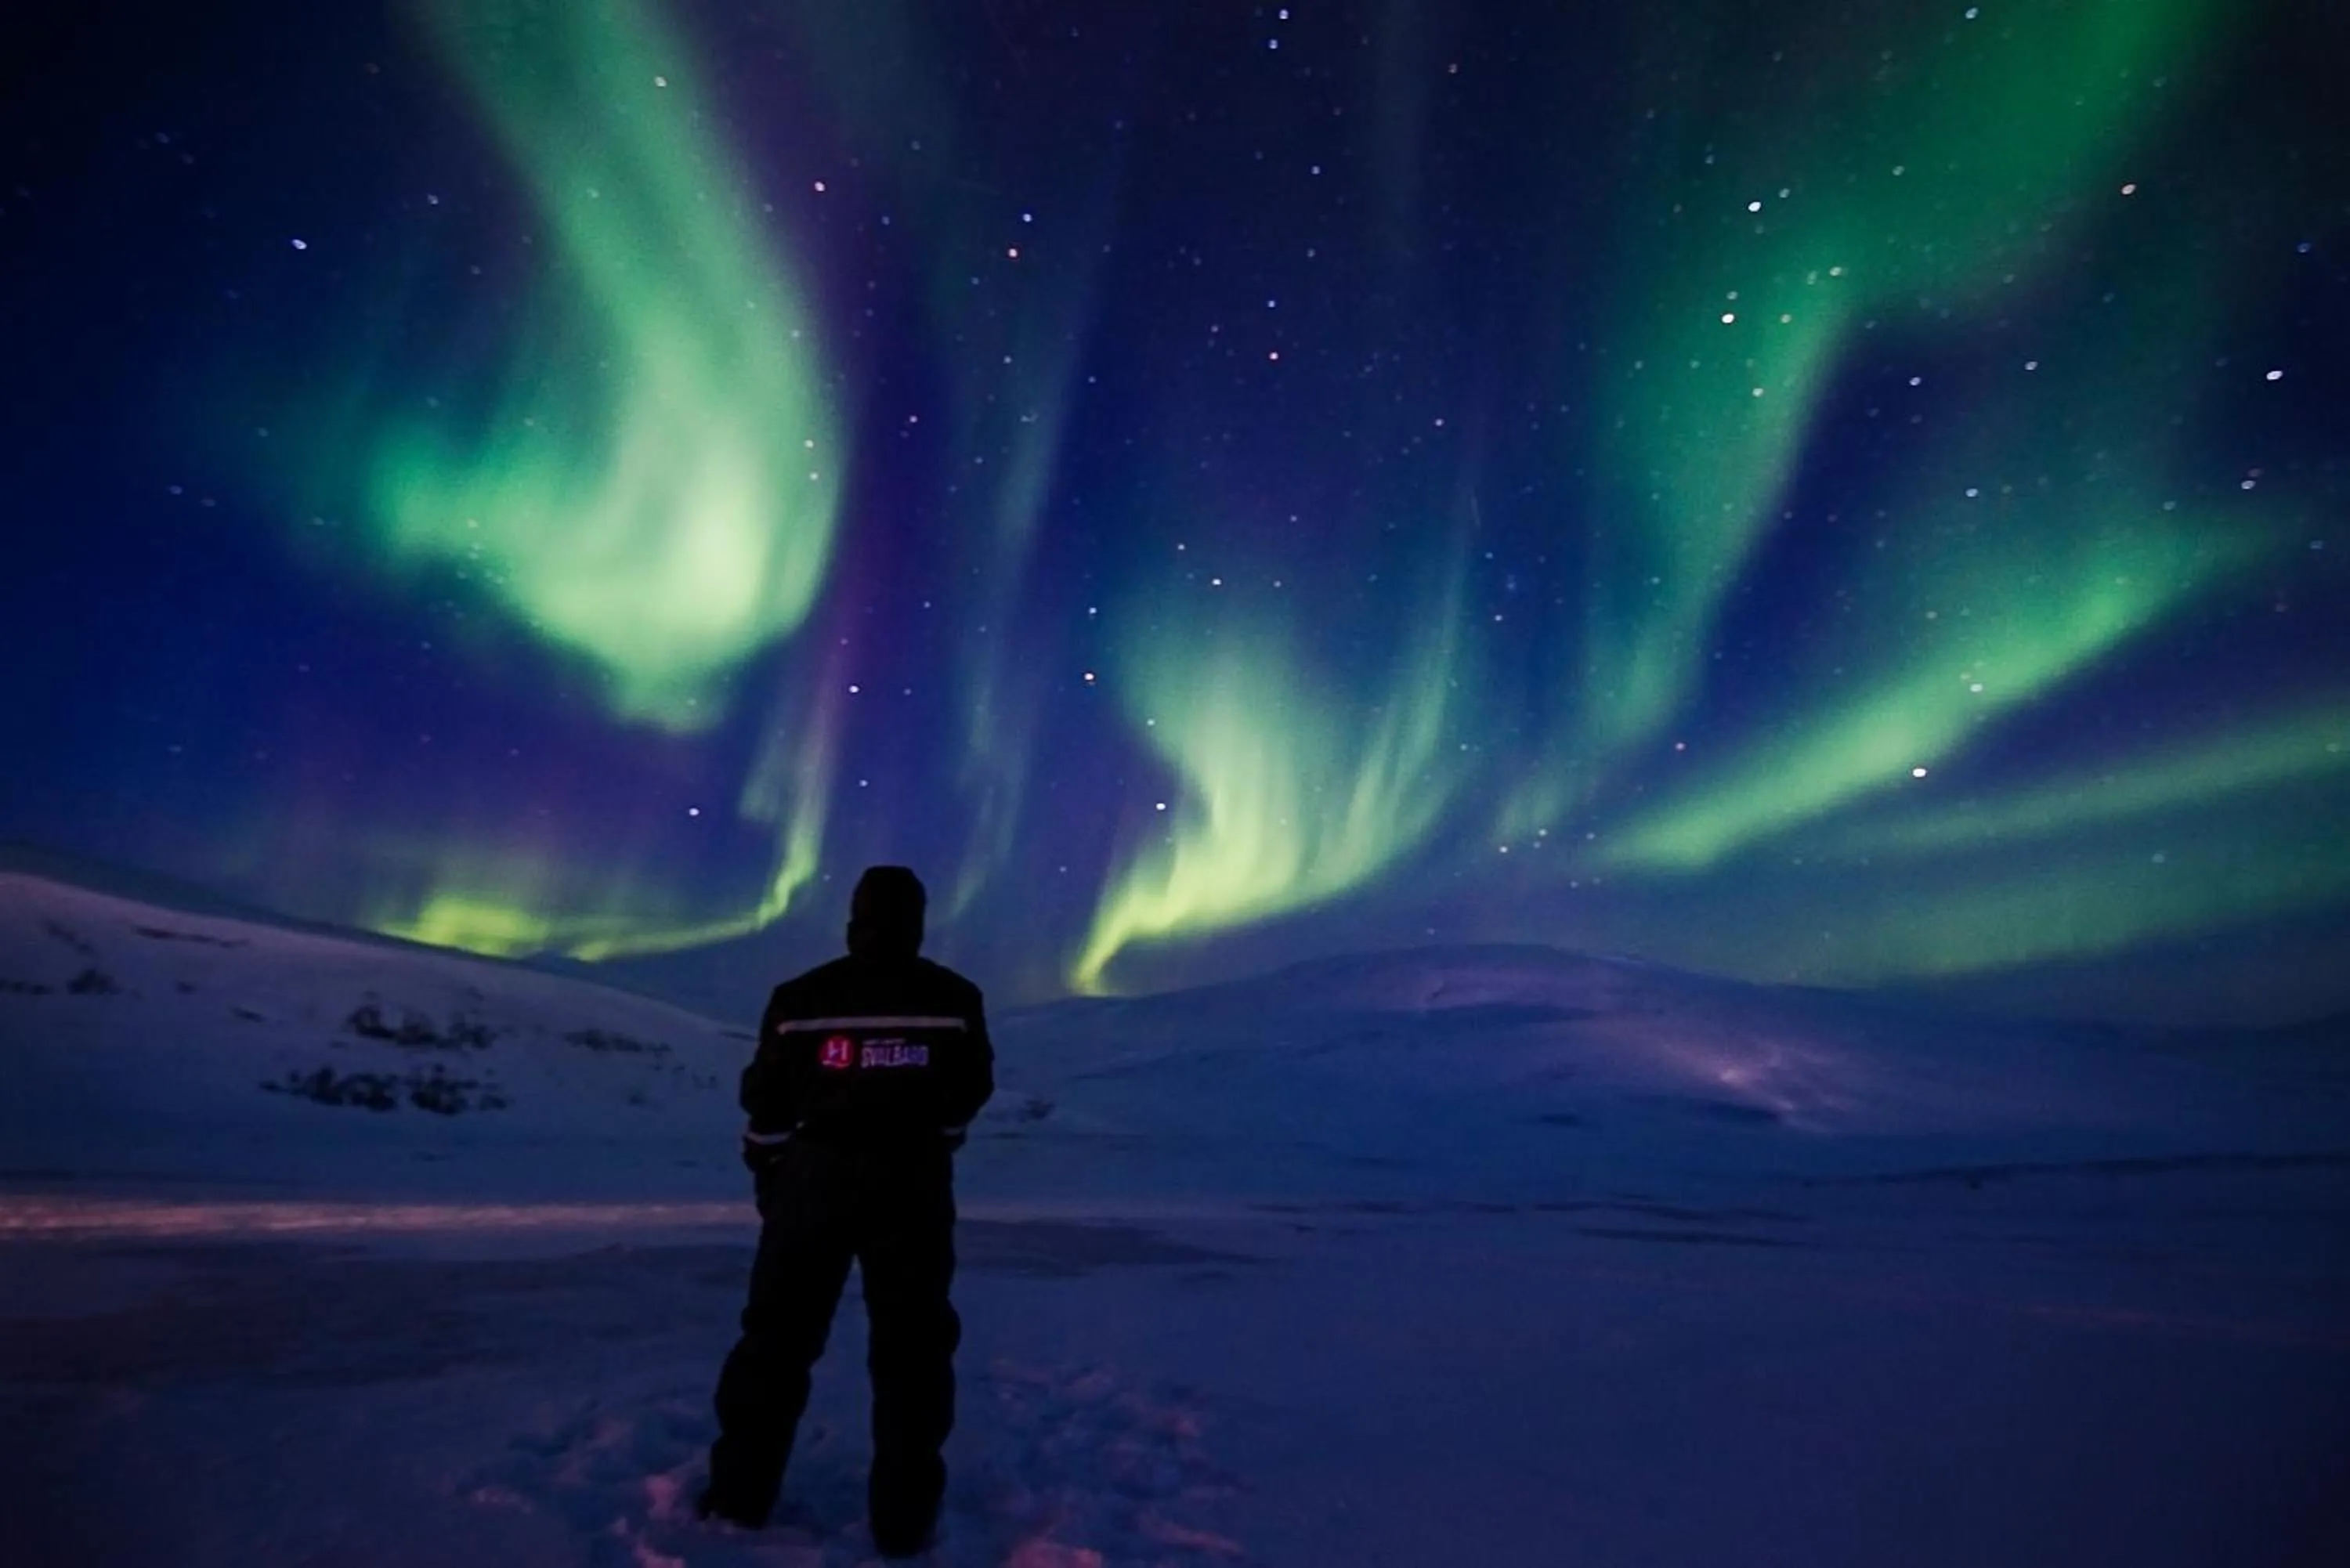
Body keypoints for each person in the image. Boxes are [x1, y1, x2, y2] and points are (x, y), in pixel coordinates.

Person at [699, 865, 995, 1556]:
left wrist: (773, 1172)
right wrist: (935, 1141)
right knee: (913, 1351)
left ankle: (740, 1496)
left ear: (853, 918)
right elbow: (971, 1087)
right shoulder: (953, 998)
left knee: (775, 1341)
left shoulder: (802, 997)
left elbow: (767, 1096)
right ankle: (903, 1518)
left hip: (815, 1180)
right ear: (920, 921)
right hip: (913, 1182)